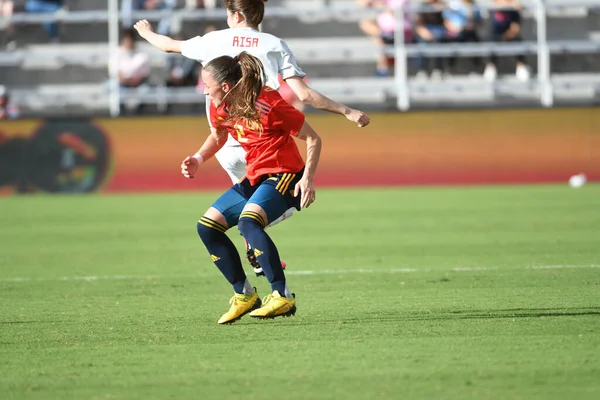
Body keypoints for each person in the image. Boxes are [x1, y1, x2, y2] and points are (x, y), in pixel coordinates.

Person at [133, 0, 369, 274]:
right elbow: (304, 95)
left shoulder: (212, 40)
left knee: (242, 210)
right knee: (263, 209)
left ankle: (256, 255)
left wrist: (145, 31)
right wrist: (347, 111)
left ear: (236, 15)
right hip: (264, 139)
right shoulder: (273, 43)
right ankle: (261, 246)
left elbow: (167, 45)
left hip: (227, 143)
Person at [181, 52, 322, 323]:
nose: (204, 93)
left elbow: (313, 138)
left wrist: (308, 179)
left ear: (224, 87)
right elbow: (219, 134)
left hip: (285, 174)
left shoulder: (268, 103)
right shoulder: (219, 106)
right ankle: (244, 294)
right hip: (255, 178)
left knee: (248, 223)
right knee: (206, 227)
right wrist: (198, 158)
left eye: (206, 87)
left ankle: (282, 295)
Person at [483, 0, 530, 81]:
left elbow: (515, 28)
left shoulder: (513, 12)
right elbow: (496, 4)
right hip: (496, 35)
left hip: (510, 34)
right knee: (490, 41)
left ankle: (521, 67)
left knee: (518, 41)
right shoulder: (494, 9)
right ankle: (491, 67)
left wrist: (506, 35)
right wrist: (510, 4)